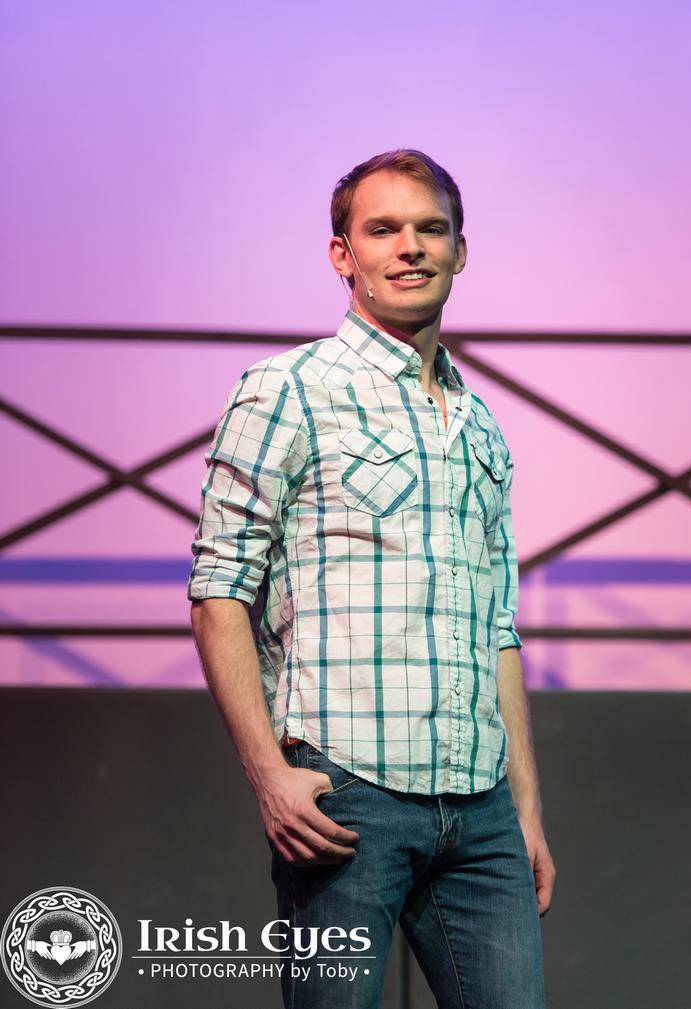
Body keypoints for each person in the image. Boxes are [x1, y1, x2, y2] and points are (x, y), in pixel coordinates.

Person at [188, 148, 556, 1009]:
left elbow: (497, 626)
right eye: (383, 229)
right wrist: (269, 774)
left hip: (481, 810)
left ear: (461, 249)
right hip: (348, 793)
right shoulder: (288, 388)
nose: (410, 247)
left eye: (431, 228)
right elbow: (218, 590)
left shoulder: (480, 423)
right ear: (342, 254)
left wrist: (526, 808)